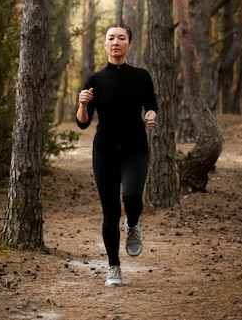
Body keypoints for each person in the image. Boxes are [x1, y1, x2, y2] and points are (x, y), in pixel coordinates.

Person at [76, 23, 158, 287]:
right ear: (104, 44)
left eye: (121, 38)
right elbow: (82, 123)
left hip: (135, 147)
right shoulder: (95, 80)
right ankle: (113, 267)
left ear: (129, 45)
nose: (116, 42)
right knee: (110, 212)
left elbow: (151, 104)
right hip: (105, 151)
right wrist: (82, 104)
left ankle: (133, 224)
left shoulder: (141, 76)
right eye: (111, 38)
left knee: (132, 195)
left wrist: (151, 115)